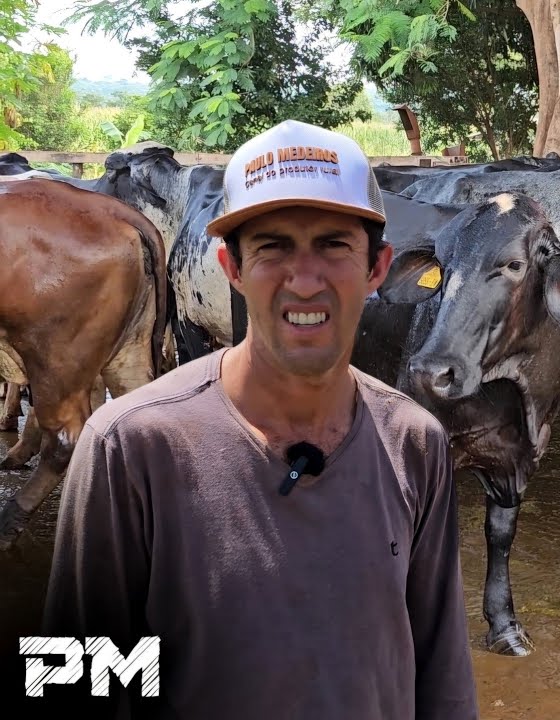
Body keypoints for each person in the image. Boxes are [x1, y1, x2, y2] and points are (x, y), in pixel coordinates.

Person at [43, 120, 478, 719]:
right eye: (273, 246)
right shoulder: (131, 447)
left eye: (333, 245)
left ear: (378, 267)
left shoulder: (414, 442)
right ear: (232, 267)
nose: (305, 280)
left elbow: (443, 678)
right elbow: (84, 683)